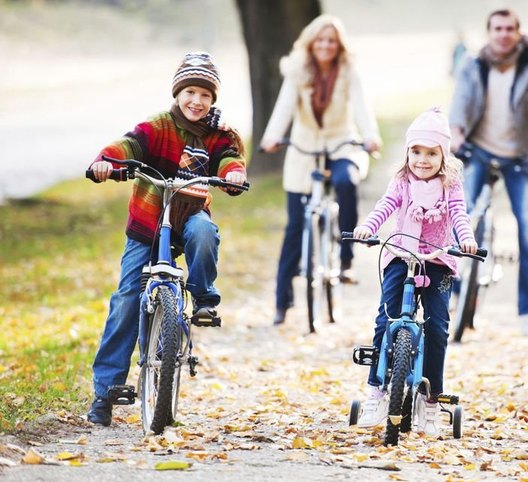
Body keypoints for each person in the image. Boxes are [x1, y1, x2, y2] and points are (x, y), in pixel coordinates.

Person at [85, 52, 248, 426]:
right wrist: (106, 161)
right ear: (178, 93)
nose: (197, 101)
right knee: (127, 299)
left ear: (213, 100)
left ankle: (204, 297)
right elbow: (128, 146)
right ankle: (106, 392)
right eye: (190, 92)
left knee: (205, 232)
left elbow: (228, 160)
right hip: (148, 223)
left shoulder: (218, 134)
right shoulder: (158, 126)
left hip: (190, 216)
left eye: (205, 95)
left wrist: (234, 174)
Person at [352, 108, 477, 437]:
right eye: (416, 151)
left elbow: (459, 215)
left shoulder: (451, 185)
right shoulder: (402, 181)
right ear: (407, 152)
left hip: (438, 260)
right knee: (386, 318)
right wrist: (367, 227)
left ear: (443, 155)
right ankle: (376, 391)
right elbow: (386, 205)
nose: (422, 160)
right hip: (400, 254)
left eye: (431, 153)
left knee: (437, 327)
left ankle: (430, 399)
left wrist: (466, 240)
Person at [448, 8, 528, 335]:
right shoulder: (473, 64)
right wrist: (457, 133)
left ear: (518, 32)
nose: (503, 34)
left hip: (519, 155)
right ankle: (453, 292)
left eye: (509, 29)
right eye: (497, 28)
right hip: (479, 149)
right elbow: (459, 102)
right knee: (459, 219)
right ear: (488, 32)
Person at [260, 14, 382, 326]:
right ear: (311, 43)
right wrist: (271, 137)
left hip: (341, 143)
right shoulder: (296, 71)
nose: (326, 46)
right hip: (304, 149)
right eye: (321, 40)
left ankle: (346, 258)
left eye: (331, 41)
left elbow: (362, 105)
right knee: (295, 226)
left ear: (339, 46)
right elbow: (285, 106)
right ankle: (282, 302)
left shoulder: (348, 71)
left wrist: (370, 136)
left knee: (346, 181)